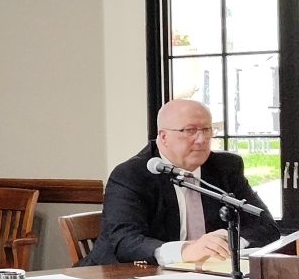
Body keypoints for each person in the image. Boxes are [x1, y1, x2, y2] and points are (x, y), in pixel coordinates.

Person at [84, 99, 279, 266]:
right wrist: (186, 251)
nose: (201, 139)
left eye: (206, 130)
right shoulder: (131, 174)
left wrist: (228, 240)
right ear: (163, 137)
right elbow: (126, 243)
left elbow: (267, 226)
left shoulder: (226, 167)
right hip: (117, 278)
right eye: (190, 131)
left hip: (202, 276)